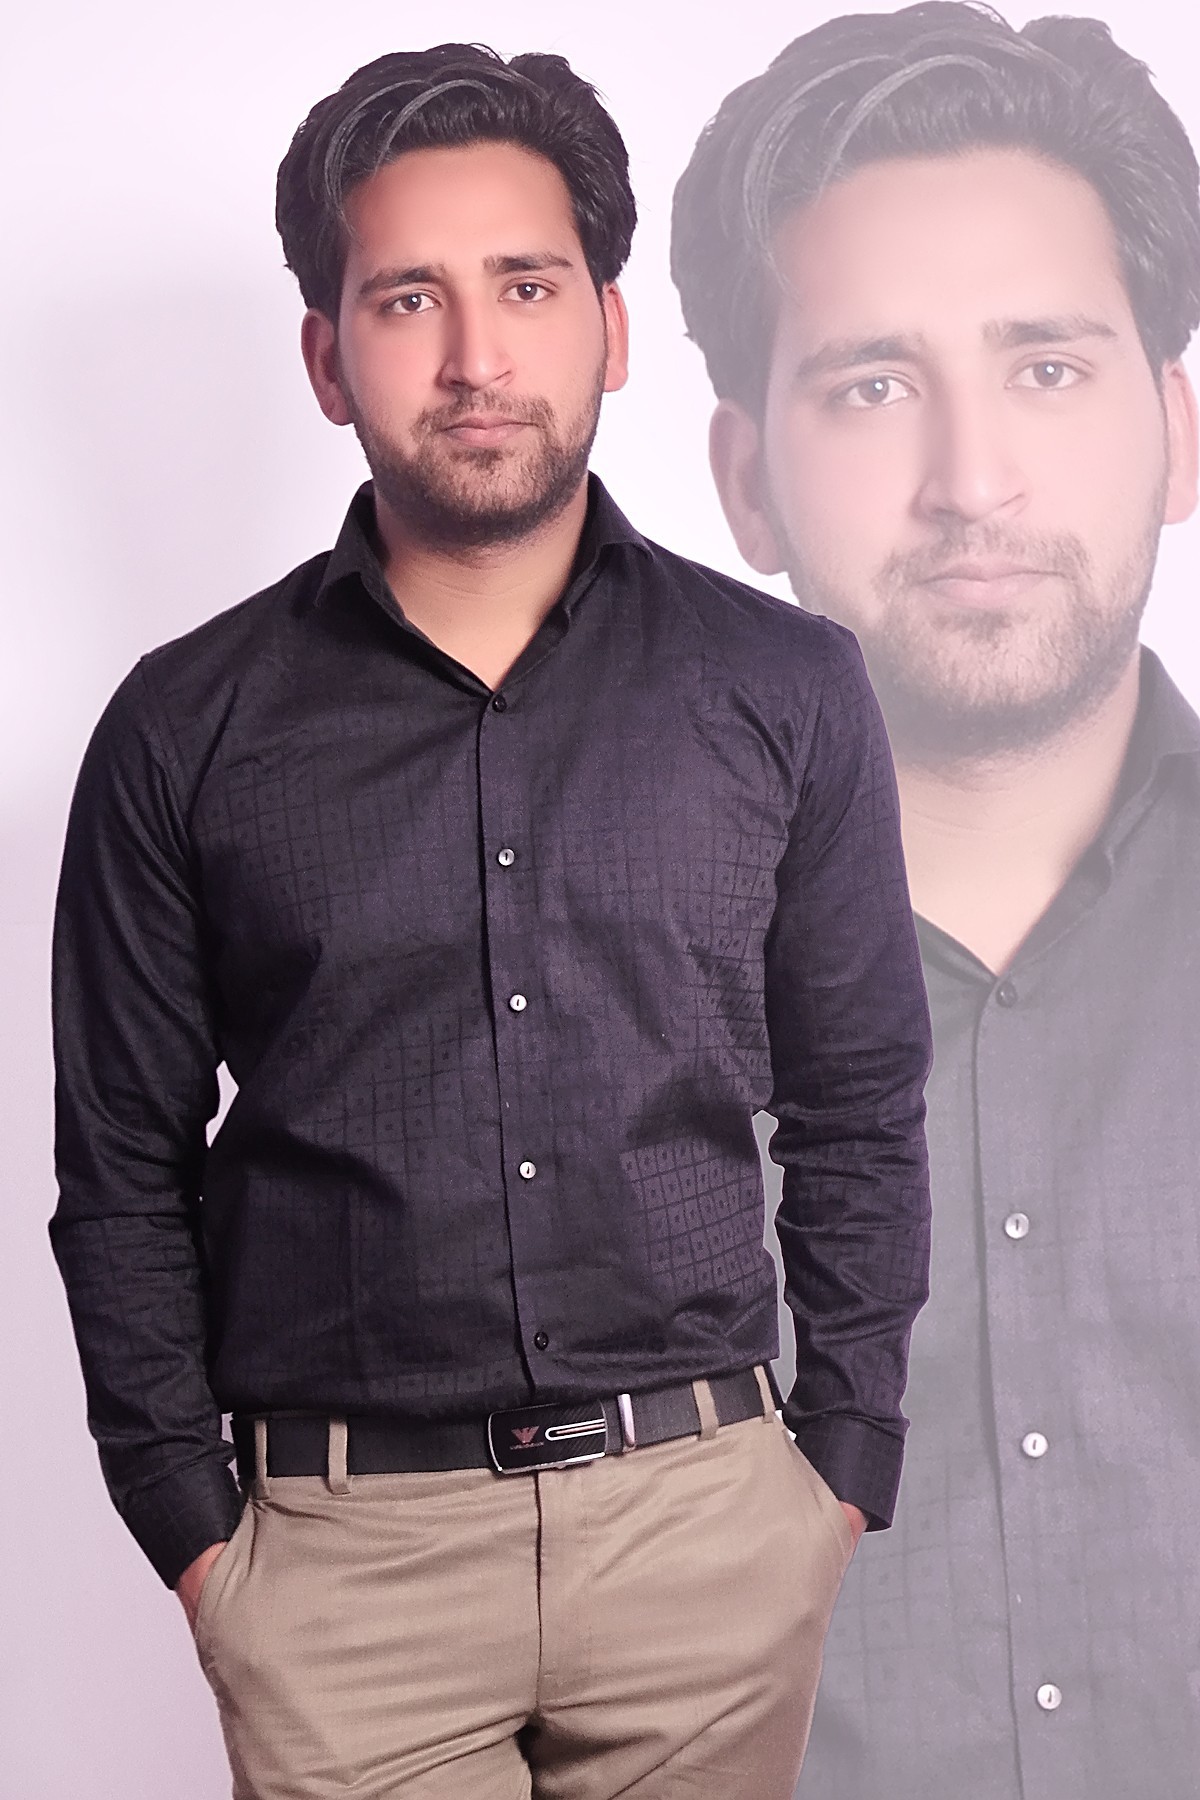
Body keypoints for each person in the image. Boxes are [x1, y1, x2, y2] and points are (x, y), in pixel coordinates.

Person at [50, 43, 932, 1800]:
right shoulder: (181, 726)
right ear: (328, 357)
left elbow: (858, 1107)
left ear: (610, 327)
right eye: (409, 299)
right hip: (342, 1573)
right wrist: (196, 1535)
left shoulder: (787, 690)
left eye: (525, 286)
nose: (476, 357)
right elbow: (123, 1166)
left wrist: (836, 1466)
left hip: (707, 1542)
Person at [671, 4, 1200, 1796]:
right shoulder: (574, 997)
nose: (974, 481)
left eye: (1046, 366)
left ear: (1175, 430)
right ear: (747, 481)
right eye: (874, 385)